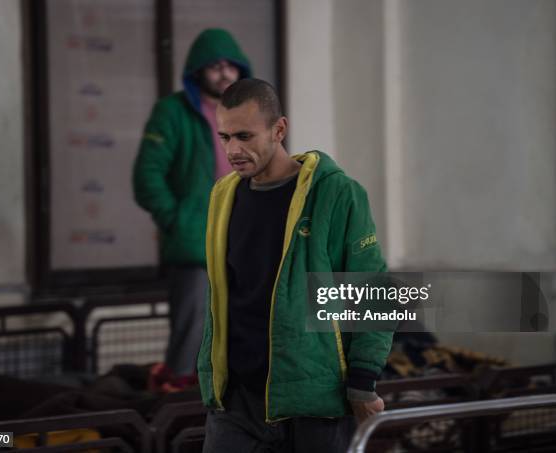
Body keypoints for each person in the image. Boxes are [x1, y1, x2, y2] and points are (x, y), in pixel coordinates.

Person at [197, 78, 393, 452]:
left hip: (315, 402)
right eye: (224, 138)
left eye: (244, 136)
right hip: (236, 398)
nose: (233, 150)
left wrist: (363, 380)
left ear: (279, 129)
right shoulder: (223, 196)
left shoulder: (336, 193)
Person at [133, 29, 252, 391]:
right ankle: (181, 410)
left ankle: (236, 404)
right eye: (216, 66)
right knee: (192, 330)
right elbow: (146, 175)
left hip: (245, 236)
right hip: (193, 240)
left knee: (246, 326)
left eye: (232, 66)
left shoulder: (247, 112)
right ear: (198, 70)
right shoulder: (172, 112)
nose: (225, 74)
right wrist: (177, 218)